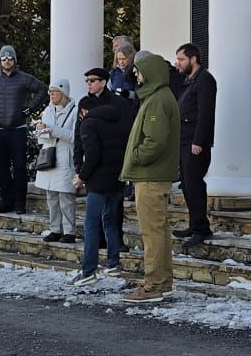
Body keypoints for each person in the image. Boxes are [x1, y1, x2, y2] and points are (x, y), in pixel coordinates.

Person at [120, 50, 180, 301]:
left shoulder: (157, 100)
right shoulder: (159, 97)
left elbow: (155, 140)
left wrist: (135, 157)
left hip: (151, 176)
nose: (136, 75)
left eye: (139, 70)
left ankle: (153, 284)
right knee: (159, 231)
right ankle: (162, 280)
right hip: (154, 175)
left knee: (152, 232)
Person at [71, 66, 136, 285]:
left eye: (93, 80)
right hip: (103, 170)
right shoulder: (85, 104)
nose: (89, 83)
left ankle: (90, 270)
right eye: (87, 80)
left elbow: (120, 138)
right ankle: (112, 262)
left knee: (98, 222)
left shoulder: (117, 104)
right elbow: (78, 139)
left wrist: (83, 174)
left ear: (103, 81)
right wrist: (78, 165)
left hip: (106, 172)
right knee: (106, 219)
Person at [0, 47, 48, 216]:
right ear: (0, 62)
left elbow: (42, 89)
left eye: (10, 58)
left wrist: (29, 109)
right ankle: (6, 201)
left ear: (15, 60)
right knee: (1, 168)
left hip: (17, 129)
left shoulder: (24, 78)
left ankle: (19, 203)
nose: (7, 61)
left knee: (19, 167)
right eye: (4, 59)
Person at [173, 43, 217, 244]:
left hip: (194, 141)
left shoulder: (205, 80)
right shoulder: (187, 81)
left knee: (195, 185)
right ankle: (194, 224)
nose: (178, 63)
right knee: (187, 186)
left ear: (193, 59)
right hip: (183, 139)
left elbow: (205, 113)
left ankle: (202, 228)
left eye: (181, 59)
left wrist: (199, 140)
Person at [33, 80, 79, 241]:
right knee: (51, 196)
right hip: (49, 157)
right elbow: (41, 138)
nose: (51, 94)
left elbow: (75, 137)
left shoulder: (75, 111)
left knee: (66, 197)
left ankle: (69, 232)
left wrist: (53, 129)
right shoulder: (47, 110)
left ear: (63, 93)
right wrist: (41, 130)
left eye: (54, 91)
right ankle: (55, 229)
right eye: (49, 92)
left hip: (65, 158)